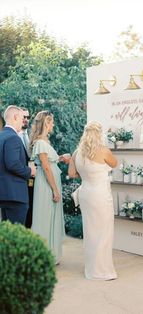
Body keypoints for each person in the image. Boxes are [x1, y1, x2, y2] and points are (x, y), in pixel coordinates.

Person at [68, 121, 118, 280]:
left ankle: (91, 269)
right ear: (99, 134)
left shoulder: (76, 153)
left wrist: (86, 174)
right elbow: (115, 164)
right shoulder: (104, 151)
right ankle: (103, 271)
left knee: (90, 232)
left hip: (86, 194)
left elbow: (72, 173)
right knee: (104, 232)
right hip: (100, 195)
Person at [29, 110, 69, 265]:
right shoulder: (40, 142)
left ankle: (51, 253)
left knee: (52, 217)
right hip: (46, 185)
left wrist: (60, 157)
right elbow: (45, 168)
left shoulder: (45, 142)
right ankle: (42, 256)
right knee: (44, 217)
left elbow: (50, 162)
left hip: (51, 182)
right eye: (51, 122)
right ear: (46, 123)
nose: (53, 125)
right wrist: (55, 189)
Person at [0, 105, 36, 224]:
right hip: (15, 195)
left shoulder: (2, 136)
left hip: (4, 194)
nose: (23, 122)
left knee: (7, 235)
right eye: (22, 118)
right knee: (16, 235)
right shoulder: (13, 138)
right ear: (15, 117)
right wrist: (30, 171)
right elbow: (13, 164)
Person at [18, 107, 34, 228]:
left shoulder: (29, 136)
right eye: (24, 117)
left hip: (31, 181)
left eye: (28, 117)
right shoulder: (14, 136)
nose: (26, 120)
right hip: (18, 180)